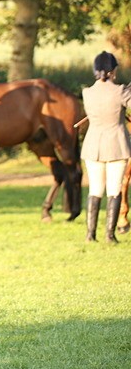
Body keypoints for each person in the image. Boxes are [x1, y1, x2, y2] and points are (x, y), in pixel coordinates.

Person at [80, 52, 131, 243]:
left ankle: (90, 235)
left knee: (95, 189)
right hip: (117, 145)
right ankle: (110, 235)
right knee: (114, 189)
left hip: (93, 144)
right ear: (113, 71)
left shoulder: (87, 93)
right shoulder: (121, 91)